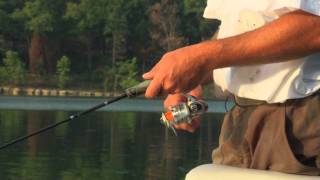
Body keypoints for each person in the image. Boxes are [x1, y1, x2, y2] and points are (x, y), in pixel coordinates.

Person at [143, 0, 320, 176]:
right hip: (239, 122)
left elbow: (315, 27)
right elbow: (244, 26)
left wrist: (203, 57)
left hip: (303, 120)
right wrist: (193, 77)